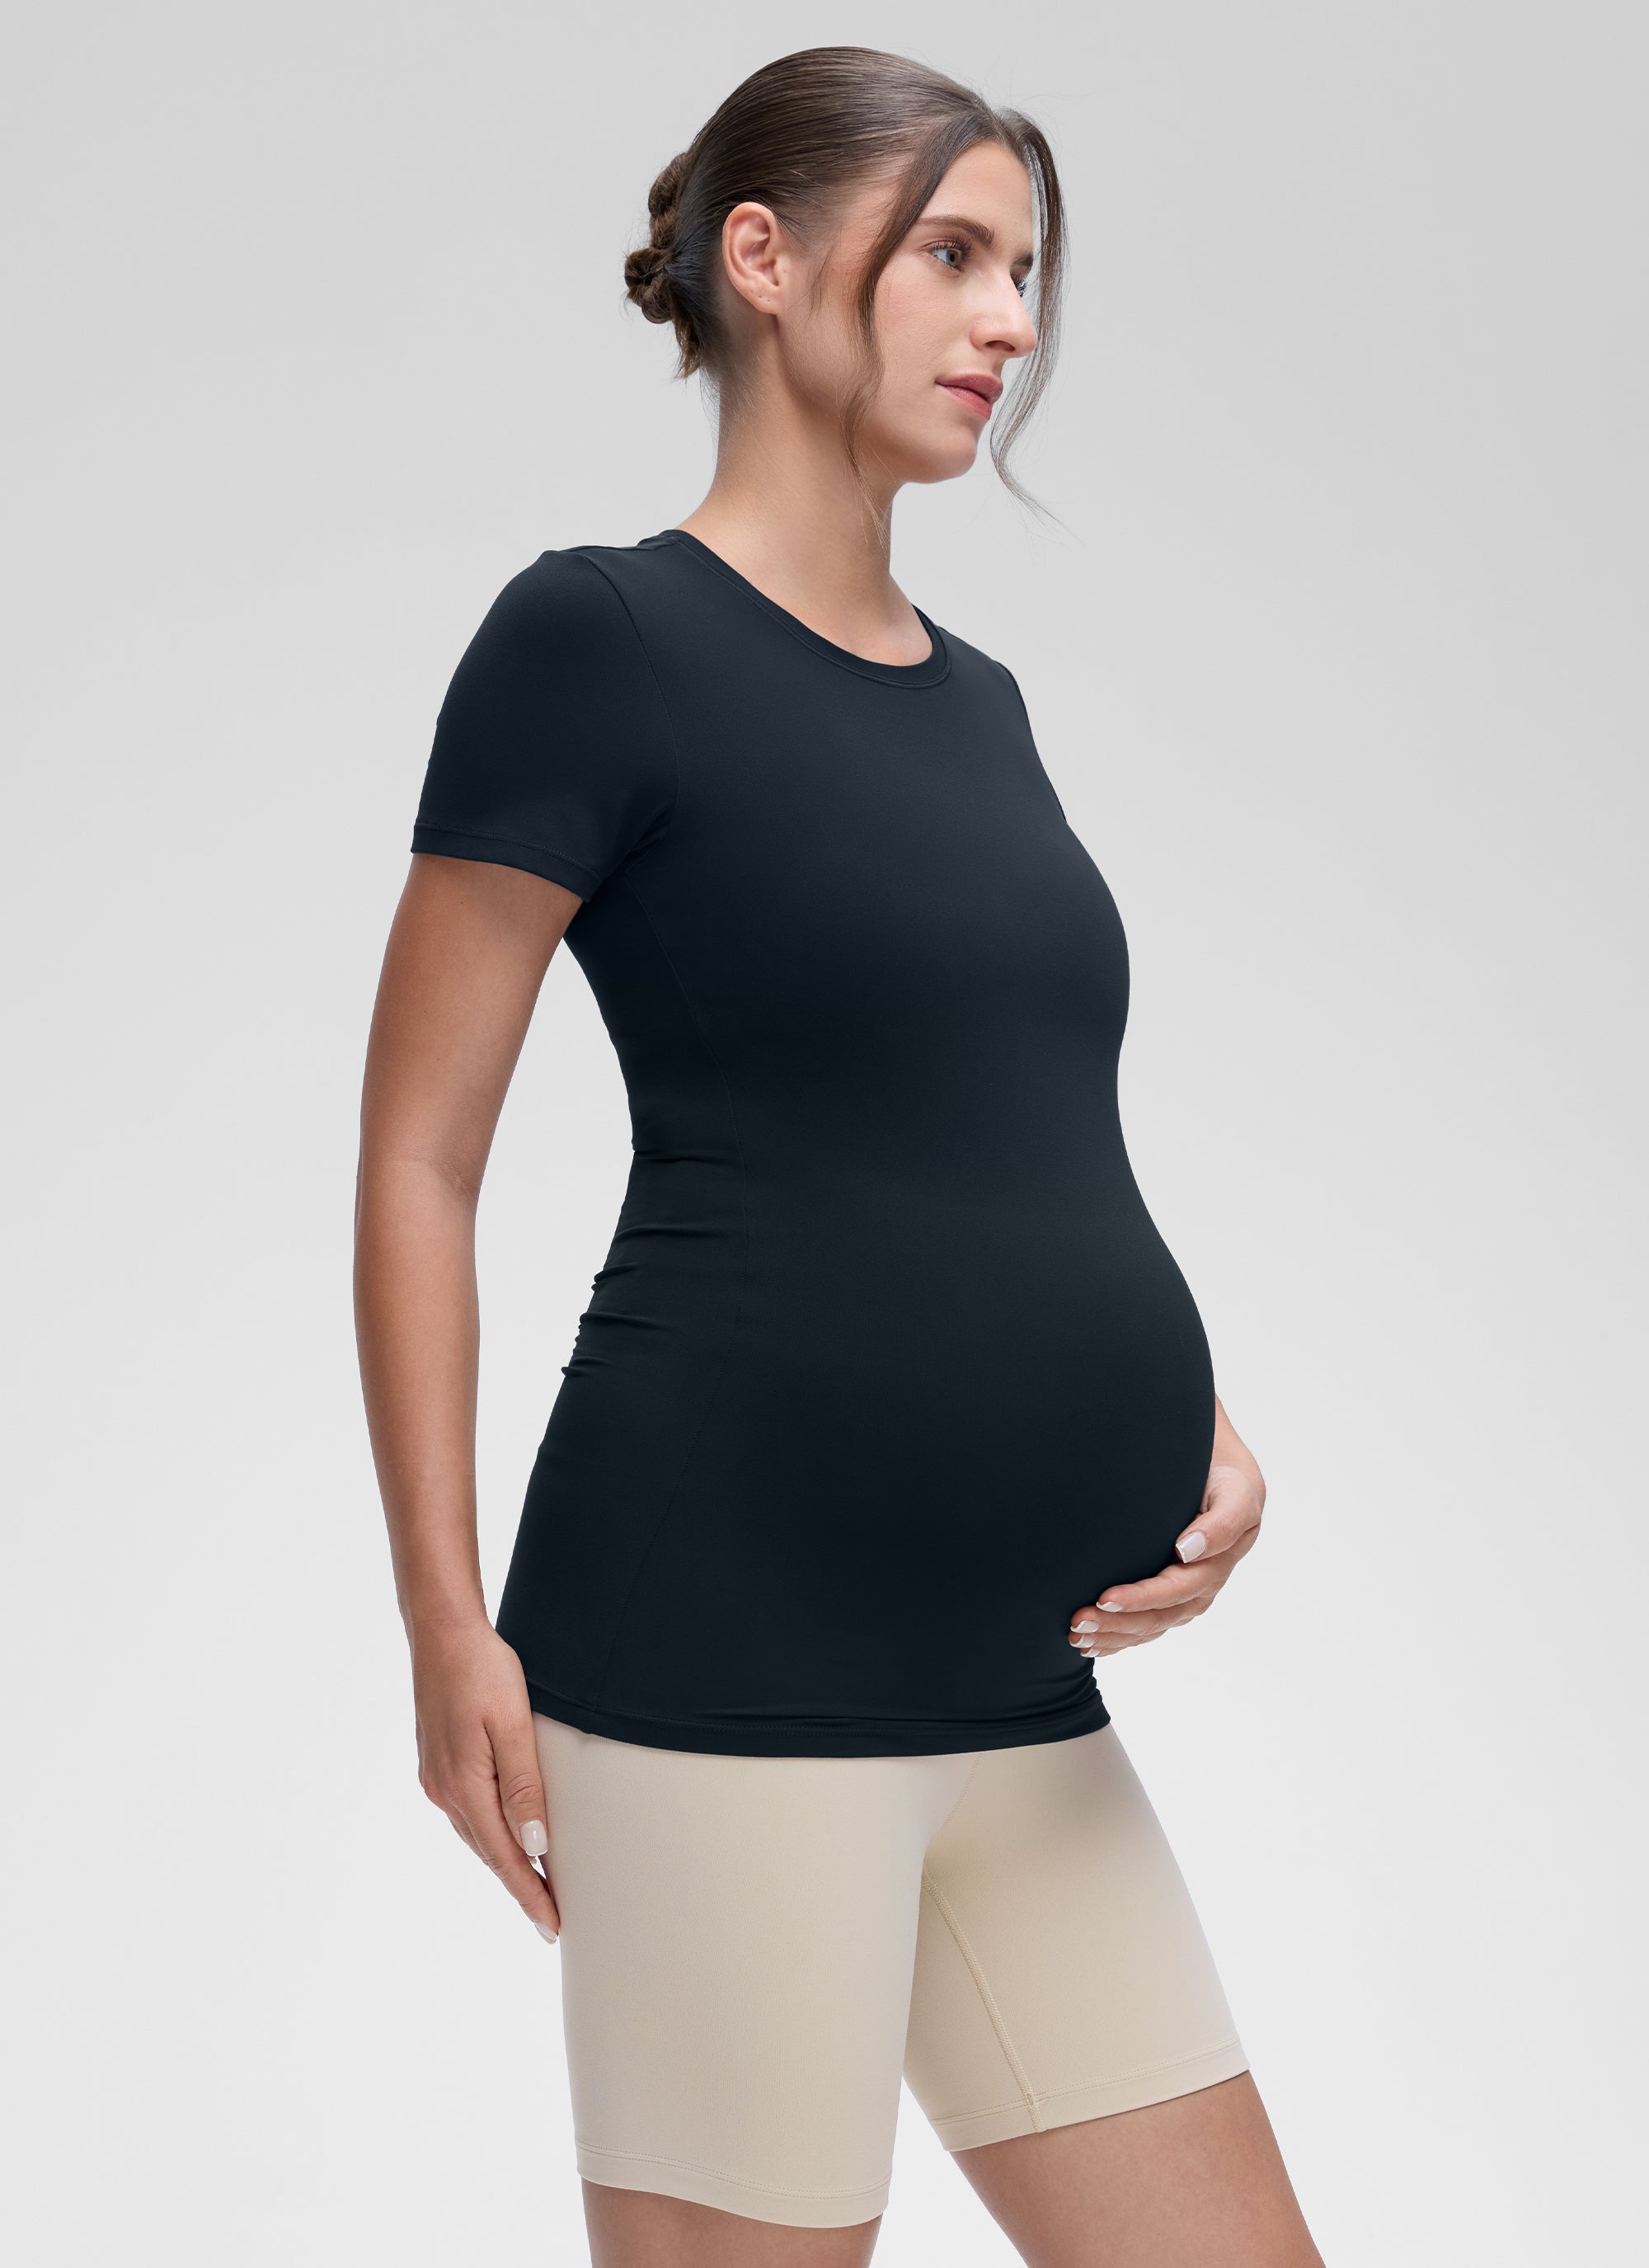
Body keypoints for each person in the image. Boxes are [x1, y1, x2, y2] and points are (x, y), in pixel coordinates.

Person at [354, 44, 1325, 2268]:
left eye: (1028, 272)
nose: (1013, 322)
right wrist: (442, 1625)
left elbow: (990, 1124)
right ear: (768, 261)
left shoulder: (981, 702)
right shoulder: (597, 639)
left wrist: (1192, 1428)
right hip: (729, 1672)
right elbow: (419, 1159)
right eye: (956, 255)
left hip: (1020, 1689)